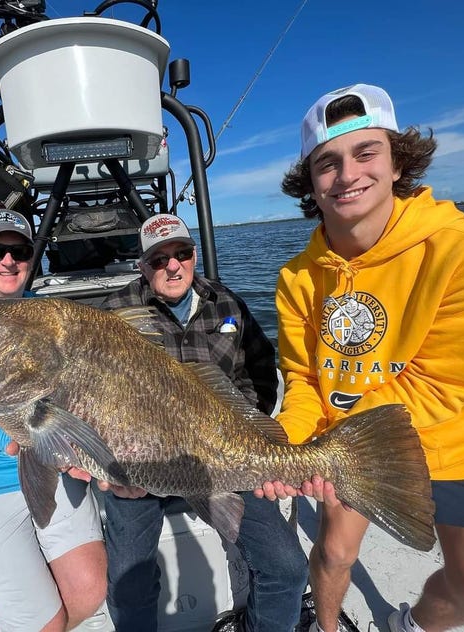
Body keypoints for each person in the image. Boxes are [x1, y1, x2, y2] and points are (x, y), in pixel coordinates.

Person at [269, 83, 464, 632]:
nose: (348, 175)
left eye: (366, 153)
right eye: (327, 163)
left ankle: (410, 625)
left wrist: (330, 444)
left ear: (398, 162)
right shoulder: (296, 278)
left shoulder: (459, 250)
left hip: (453, 443)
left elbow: (446, 382)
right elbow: (303, 376)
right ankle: (327, 625)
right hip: (349, 445)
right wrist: (289, 441)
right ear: (310, 182)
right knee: (335, 554)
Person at [96, 213, 308, 632]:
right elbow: (97, 395)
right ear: (142, 266)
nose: (173, 266)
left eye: (182, 253)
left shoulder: (226, 301)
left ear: (194, 256)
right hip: (143, 464)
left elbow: (261, 369)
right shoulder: (116, 313)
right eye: (158, 259)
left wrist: (242, 424)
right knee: (127, 585)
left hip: (223, 454)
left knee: (288, 568)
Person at [0, 209, 107, 632]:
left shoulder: (48, 314)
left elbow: (80, 387)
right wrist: (50, 445)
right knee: (41, 623)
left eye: (20, 250)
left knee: (88, 592)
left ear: (33, 256)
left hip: (48, 459)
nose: (7, 261)